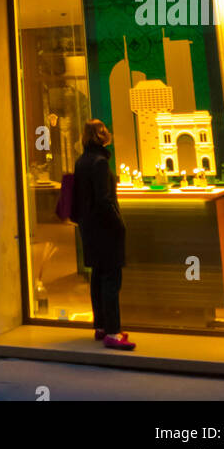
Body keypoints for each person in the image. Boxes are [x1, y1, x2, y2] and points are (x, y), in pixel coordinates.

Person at [71, 118, 135, 350]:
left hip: (89, 227)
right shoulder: (99, 163)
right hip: (104, 228)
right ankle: (113, 332)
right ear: (102, 136)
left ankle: (100, 326)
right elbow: (104, 199)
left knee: (98, 277)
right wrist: (119, 223)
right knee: (111, 279)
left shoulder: (81, 161)